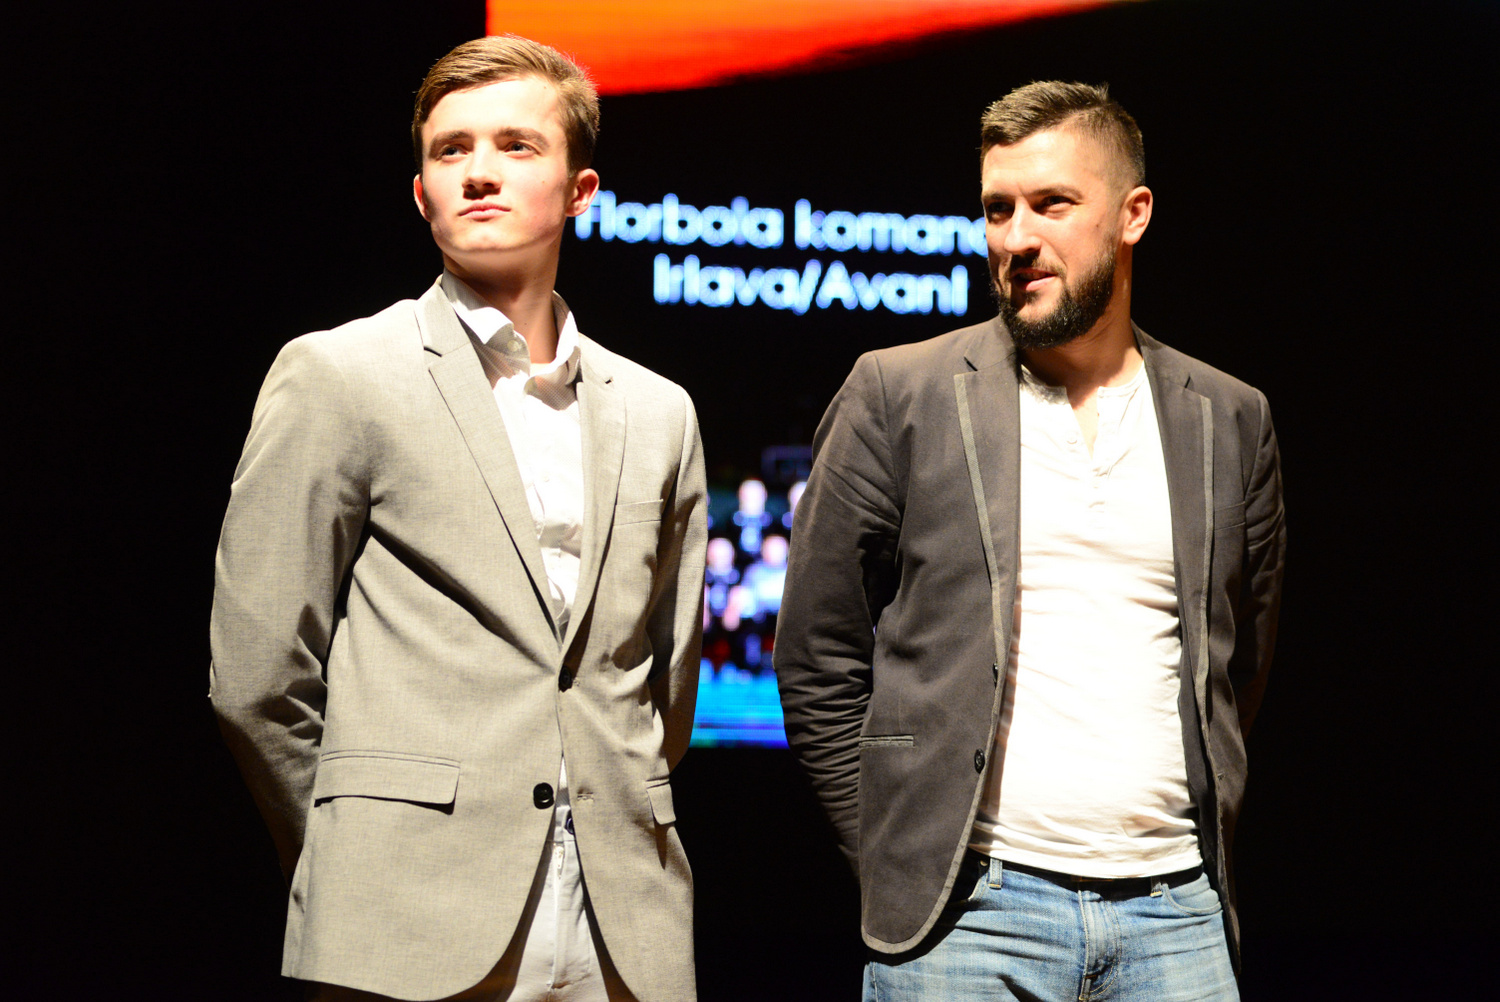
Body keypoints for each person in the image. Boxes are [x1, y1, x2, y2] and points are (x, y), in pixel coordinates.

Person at [210, 35, 706, 1002]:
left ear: (581, 190)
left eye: (517, 146)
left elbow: (664, 683)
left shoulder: (659, 411)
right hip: (402, 915)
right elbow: (258, 675)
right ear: (421, 193)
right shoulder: (340, 374)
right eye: (451, 150)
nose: (479, 172)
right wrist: (361, 845)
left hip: (622, 924)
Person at [775, 81, 1284, 1000]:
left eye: (1052, 204)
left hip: (1177, 916)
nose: (1016, 238)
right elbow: (817, 654)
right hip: (968, 918)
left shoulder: (1229, 416)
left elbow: (1236, 661)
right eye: (997, 209)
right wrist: (900, 857)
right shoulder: (899, 392)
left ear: (1132, 215)